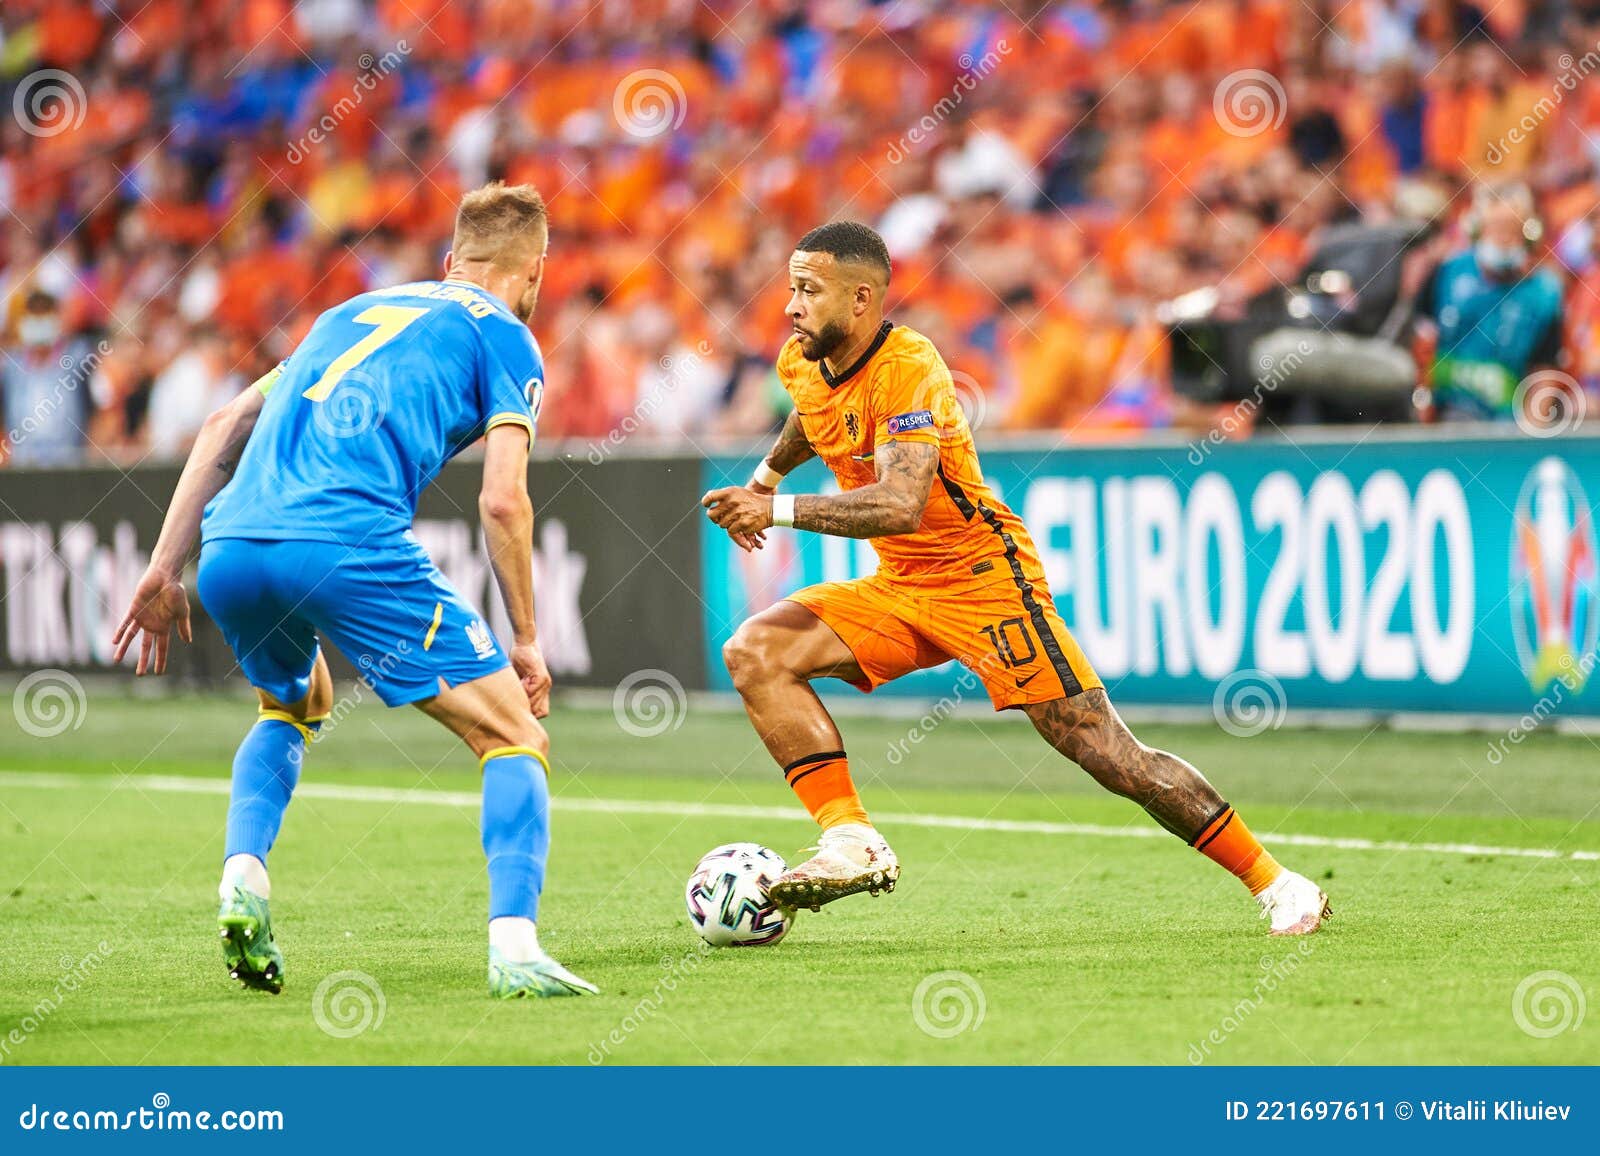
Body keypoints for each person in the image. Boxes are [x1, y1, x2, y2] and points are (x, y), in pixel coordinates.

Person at [701, 221, 1329, 936]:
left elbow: (901, 504)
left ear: (861, 299)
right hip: (901, 585)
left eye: (808, 290)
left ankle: (1279, 883)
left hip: (984, 581)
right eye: (791, 288)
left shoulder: (911, 367)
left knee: (1109, 756)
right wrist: (762, 477)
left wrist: (774, 508)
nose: (791, 305)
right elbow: (815, 418)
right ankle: (852, 838)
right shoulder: (800, 362)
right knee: (756, 651)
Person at [111, 182, 596, 999]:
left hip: (230, 544)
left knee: (296, 703)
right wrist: (527, 639)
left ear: (450, 261)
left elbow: (222, 426)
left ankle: (243, 879)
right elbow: (504, 498)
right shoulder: (506, 335)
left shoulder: (348, 314)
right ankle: (515, 948)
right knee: (515, 737)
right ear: (535, 273)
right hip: (345, 540)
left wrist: (164, 566)